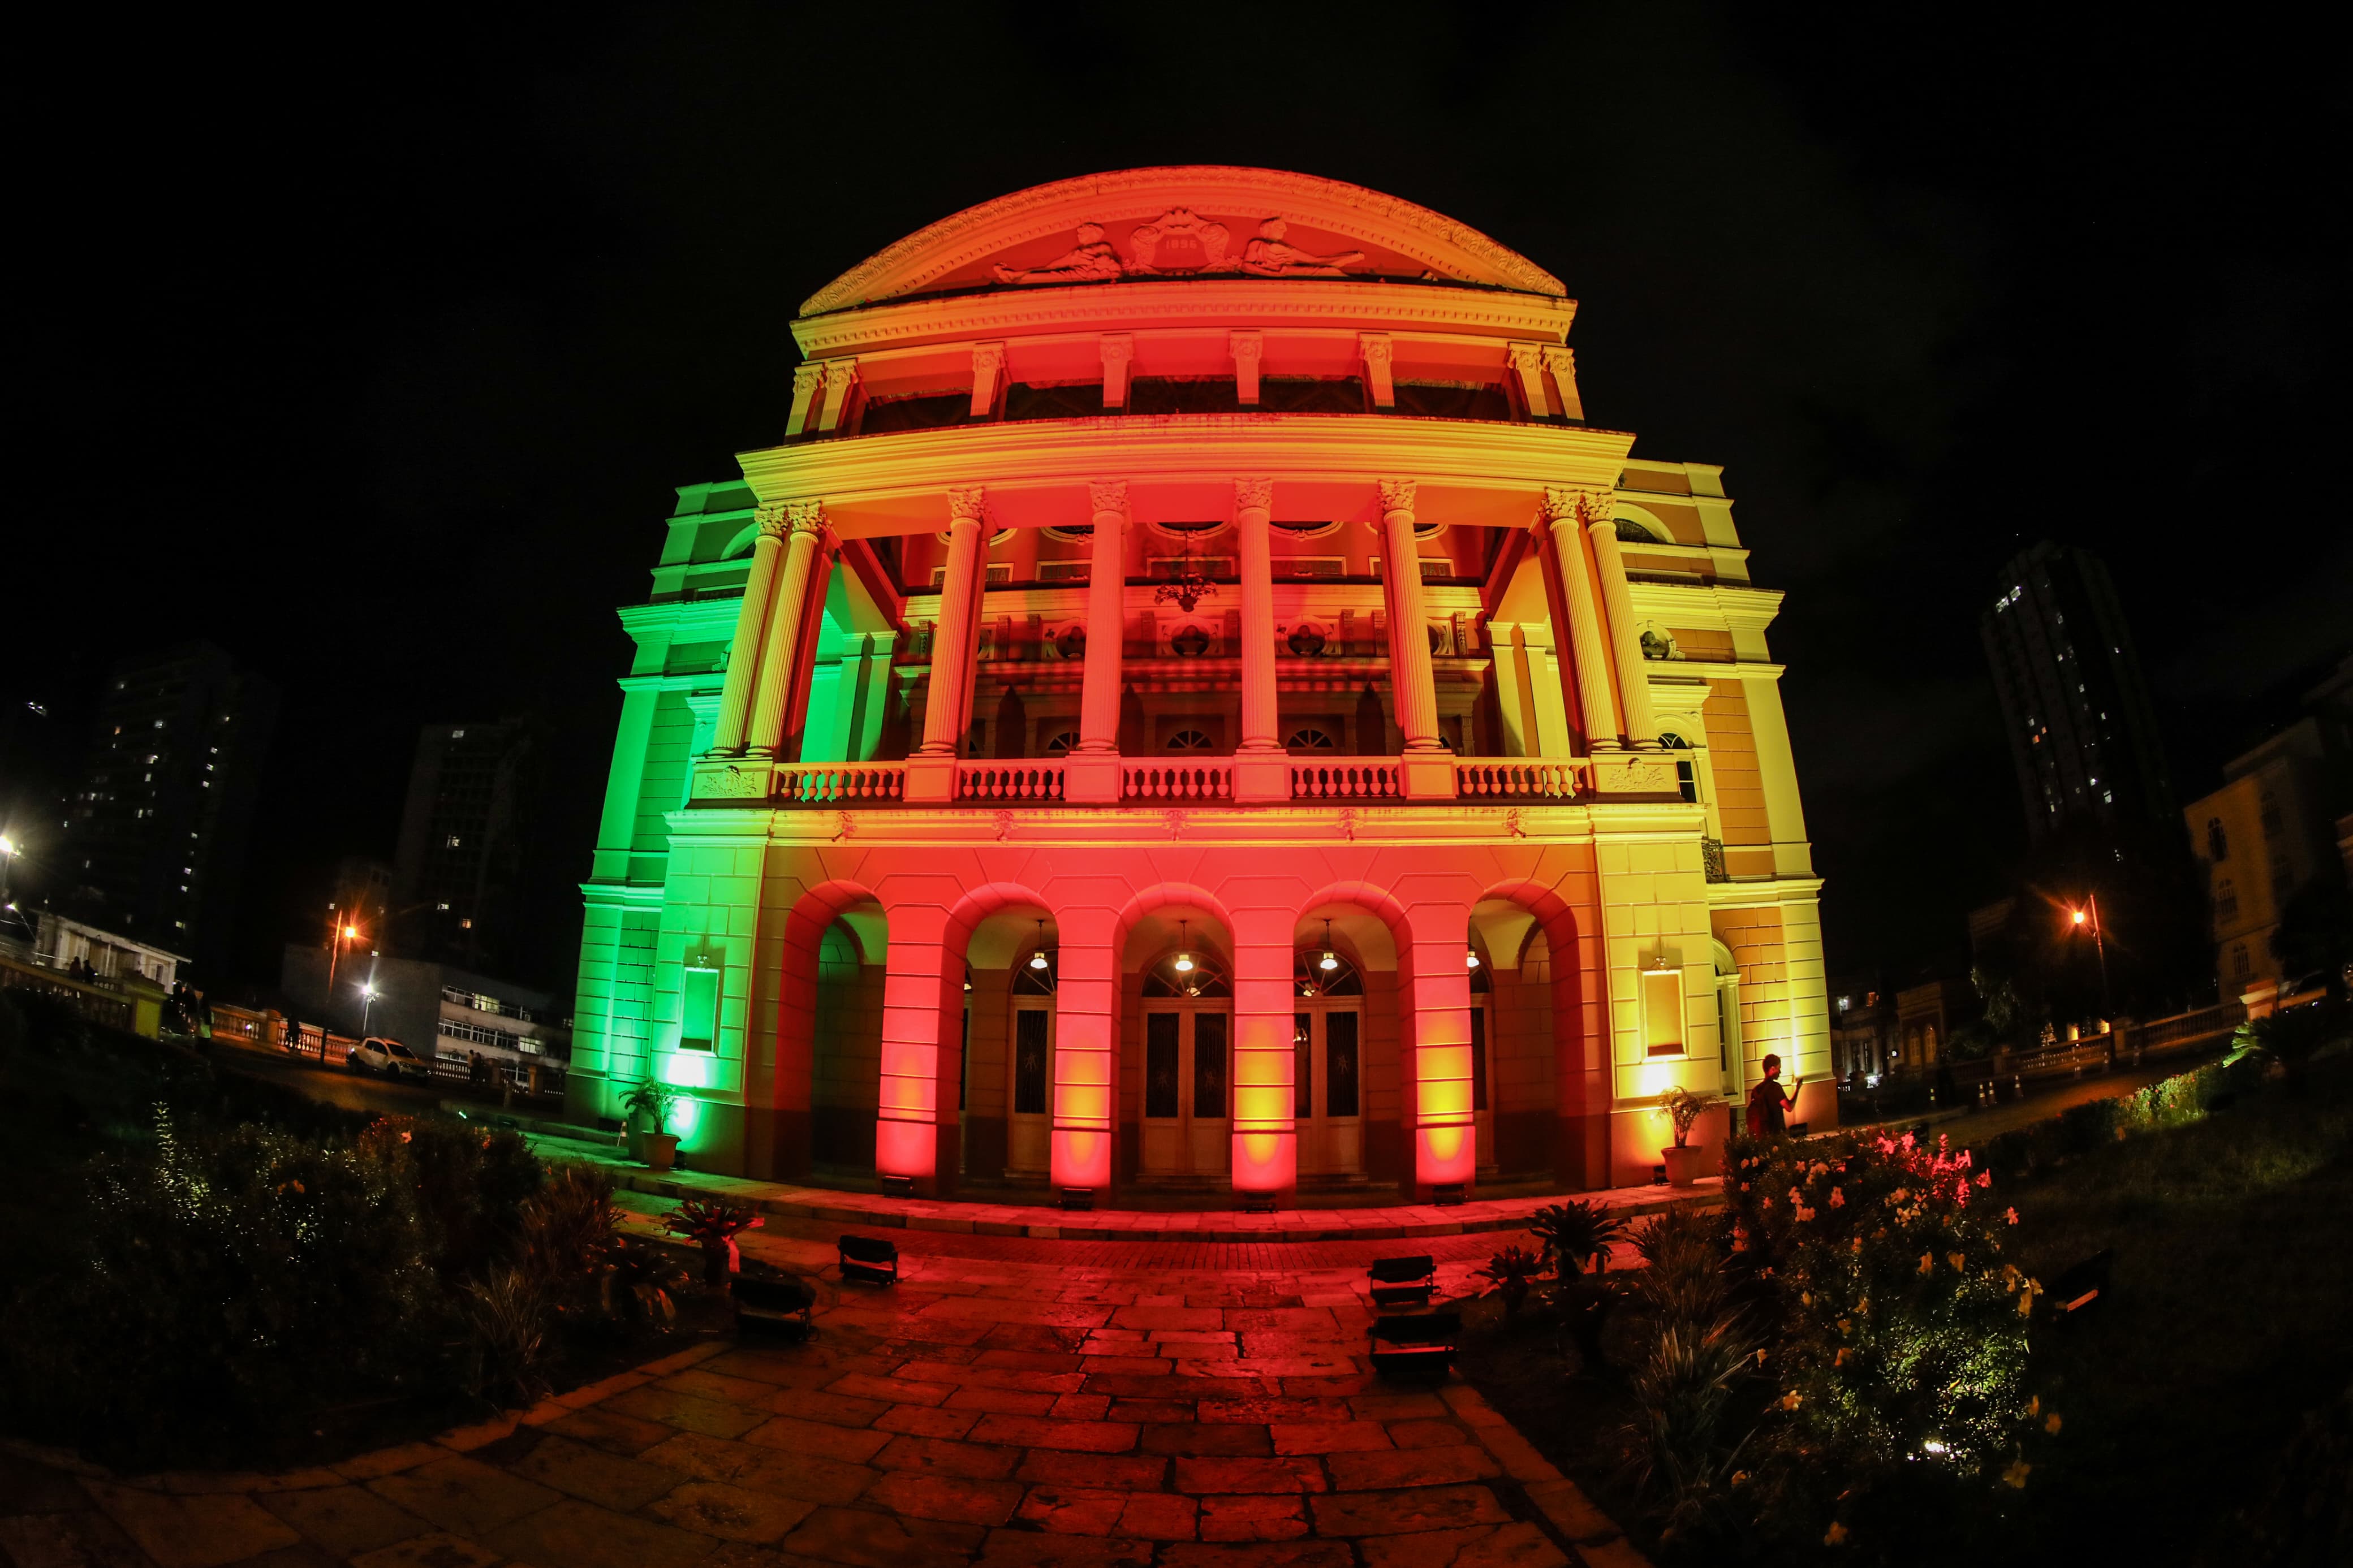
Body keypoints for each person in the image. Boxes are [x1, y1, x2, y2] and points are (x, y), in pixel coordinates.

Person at [1745, 1052, 1803, 1138]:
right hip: (1776, 1135)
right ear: (1772, 1069)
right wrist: (1798, 1089)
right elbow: (1789, 1107)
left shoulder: (1756, 1090)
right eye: (1778, 1068)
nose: (1780, 1072)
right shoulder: (1775, 1088)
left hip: (1761, 1136)